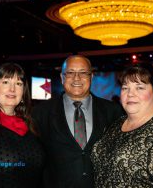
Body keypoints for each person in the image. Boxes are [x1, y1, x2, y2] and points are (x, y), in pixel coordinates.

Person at [32, 55, 124, 188]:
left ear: (91, 77)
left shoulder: (113, 112)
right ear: (62, 77)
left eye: (83, 73)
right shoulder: (39, 113)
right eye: (70, 73)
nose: (77, 78)